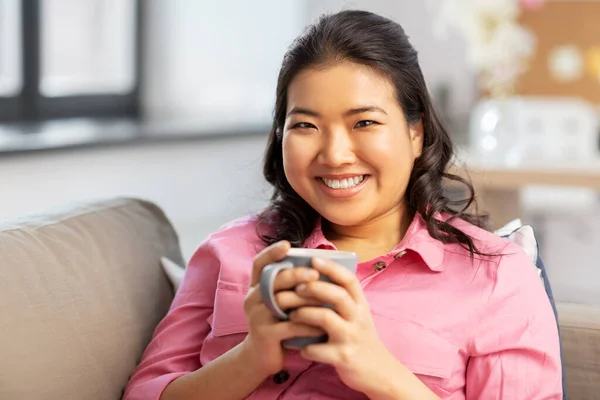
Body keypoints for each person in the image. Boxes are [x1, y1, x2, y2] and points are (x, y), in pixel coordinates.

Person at [123, 10, 562, 400]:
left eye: (365, 122)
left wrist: (380, 373)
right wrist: (251, 358)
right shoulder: (229, 250)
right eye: (306, 125)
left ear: (415, 133)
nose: (334, 155)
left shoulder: (496, 275)